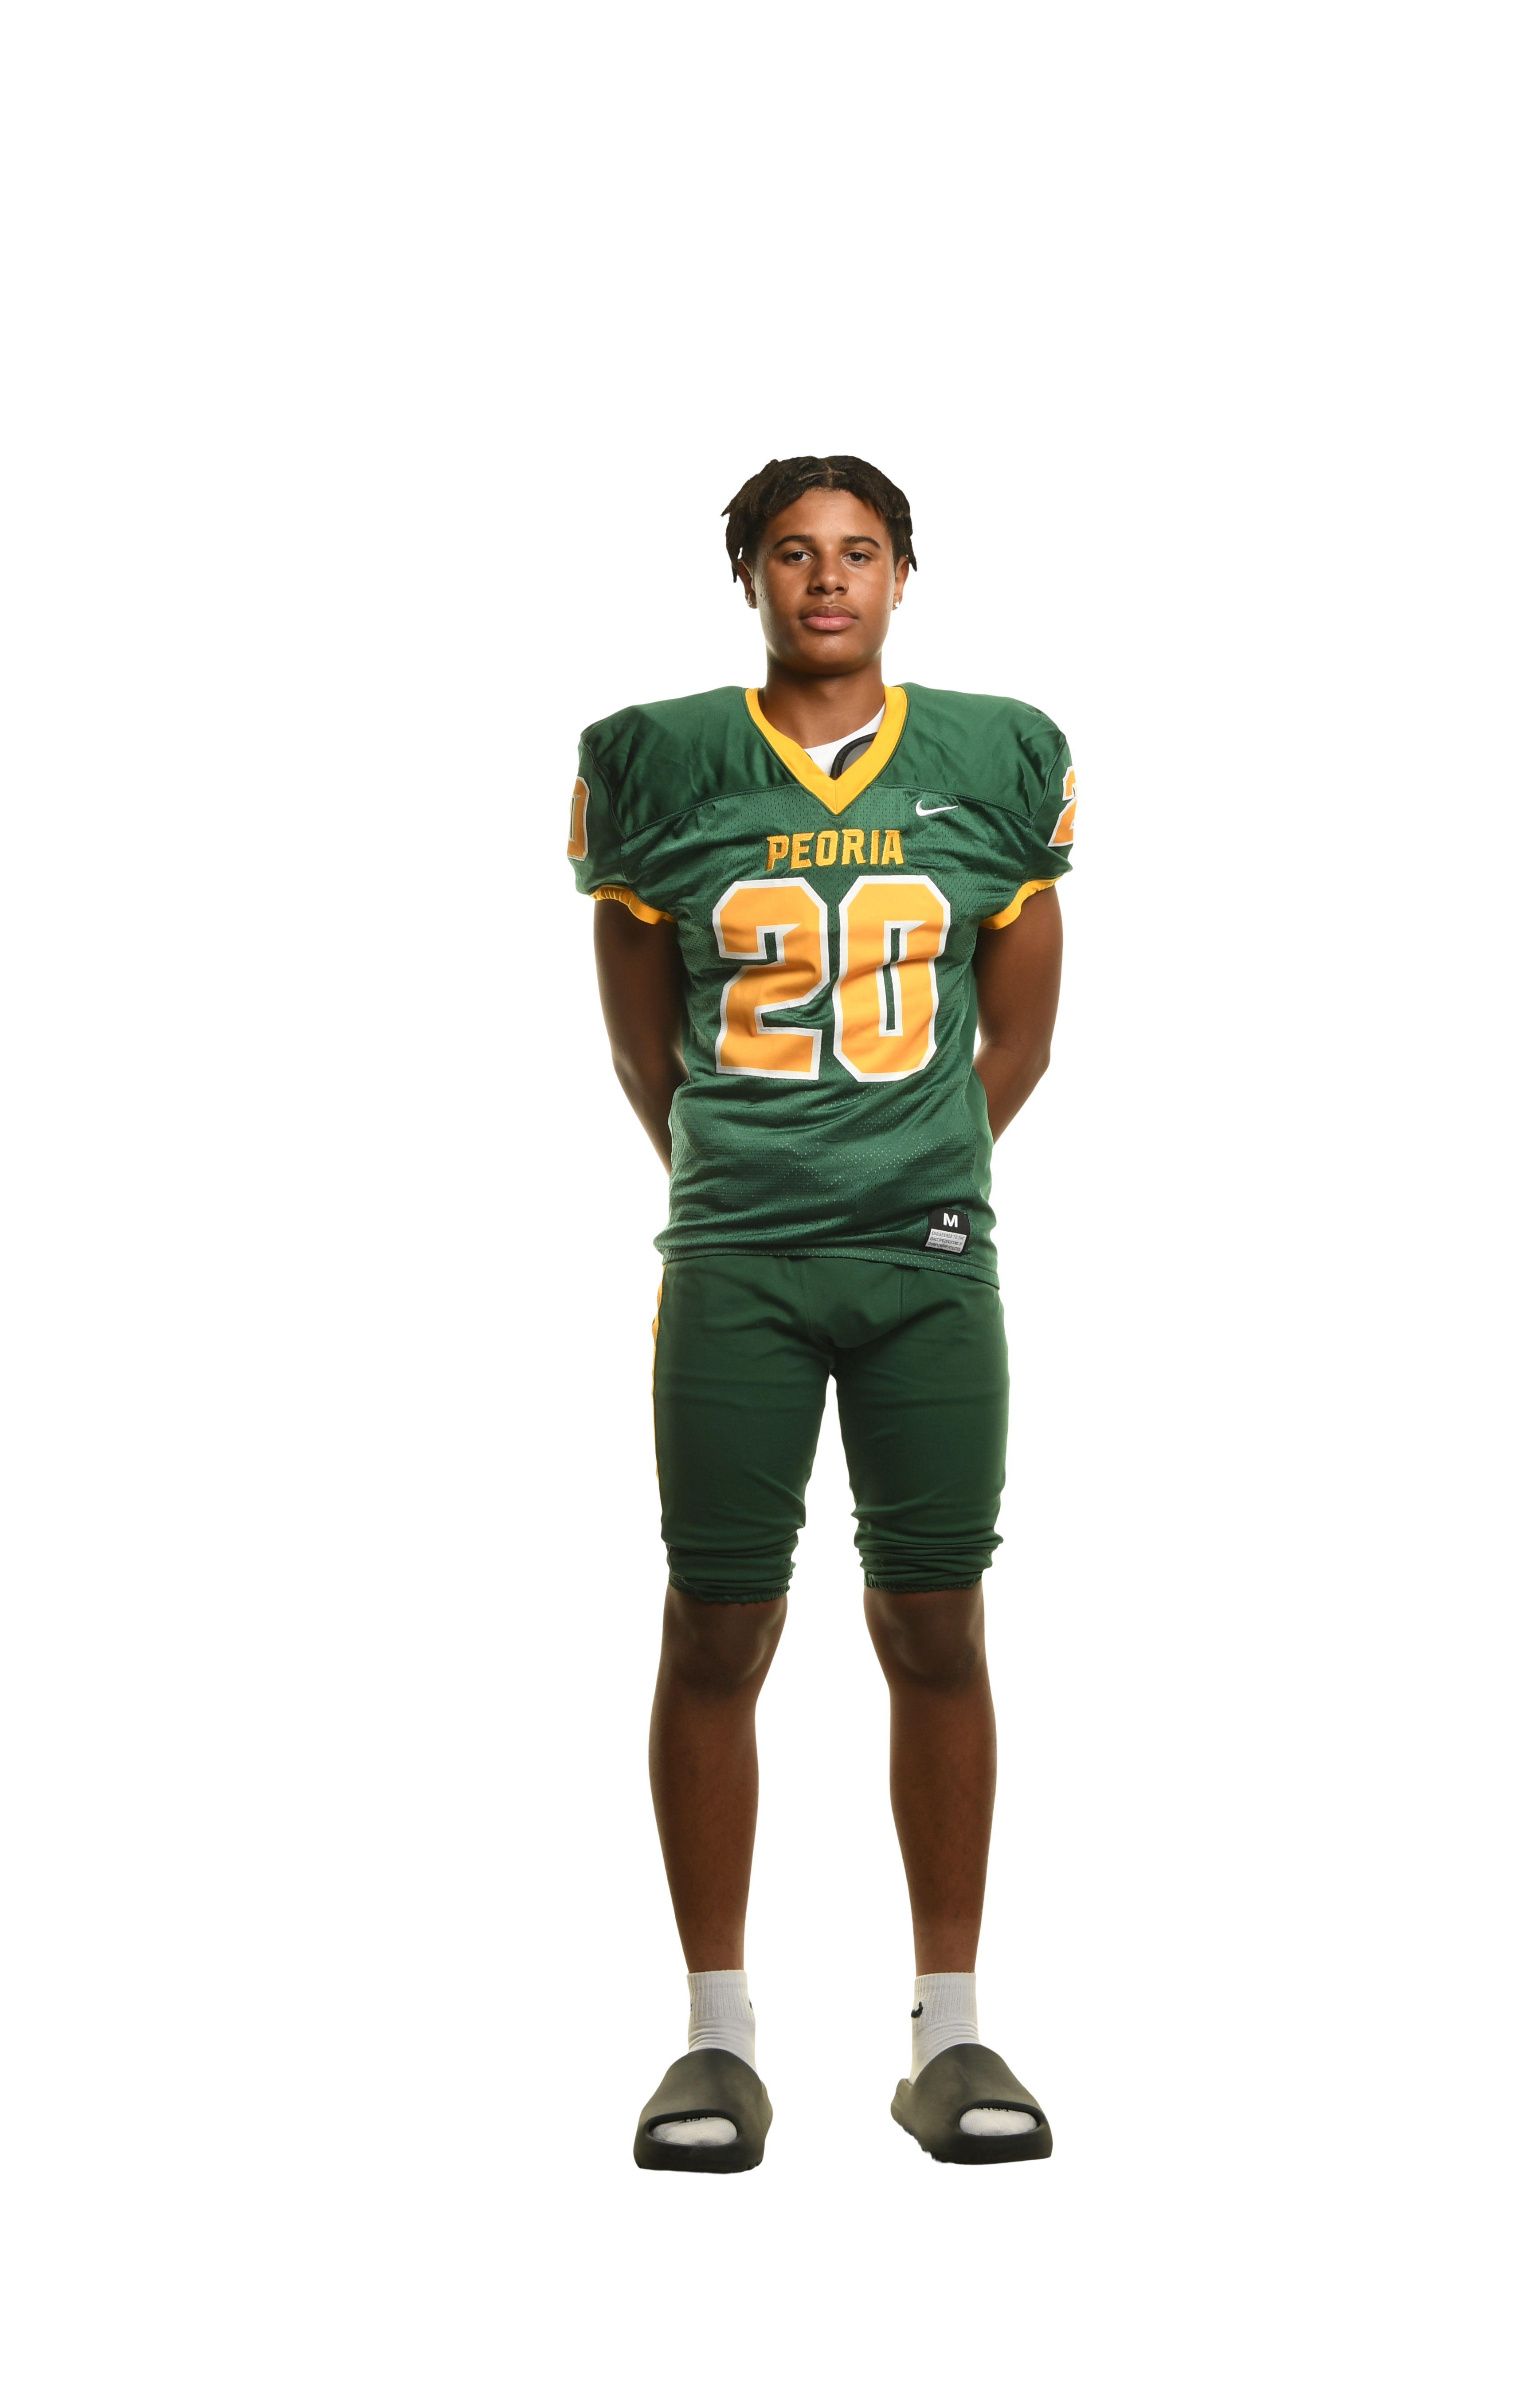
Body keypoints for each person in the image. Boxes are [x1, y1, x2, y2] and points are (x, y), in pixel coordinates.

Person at [568, 454, 1075, 2173]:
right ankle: (718, 2041)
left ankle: (949, 2031)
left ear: (903, 575)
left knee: (937, 1622)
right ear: (752, 578)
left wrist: (896, 1171)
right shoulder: (660, 761)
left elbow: (1020, 1037)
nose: (828, 578)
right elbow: (643, 1048)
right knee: (717, 1628)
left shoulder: (997, 755)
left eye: (860, 550)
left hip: (927, 1258)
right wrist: (760, 1187)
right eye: (794, 552)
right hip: (738, 1260)